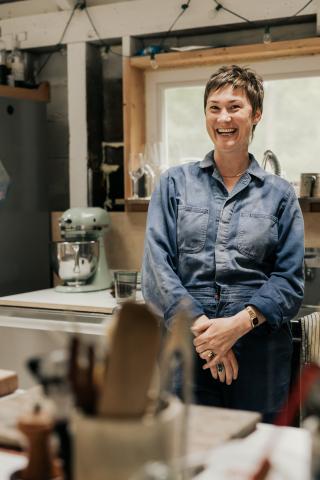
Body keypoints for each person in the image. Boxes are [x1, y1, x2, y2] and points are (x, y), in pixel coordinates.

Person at [141, 64, 304, 422]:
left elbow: (290, 280)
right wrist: (209, 336)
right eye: (214, 107)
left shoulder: (280, 195)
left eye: (235, 107)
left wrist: (234, 327)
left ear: (255, 114)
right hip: (186, 350)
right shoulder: (173, 184)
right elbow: (155, 270)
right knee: (188, 456)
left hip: (258, 353)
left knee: (255, 459)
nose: (223, 117)